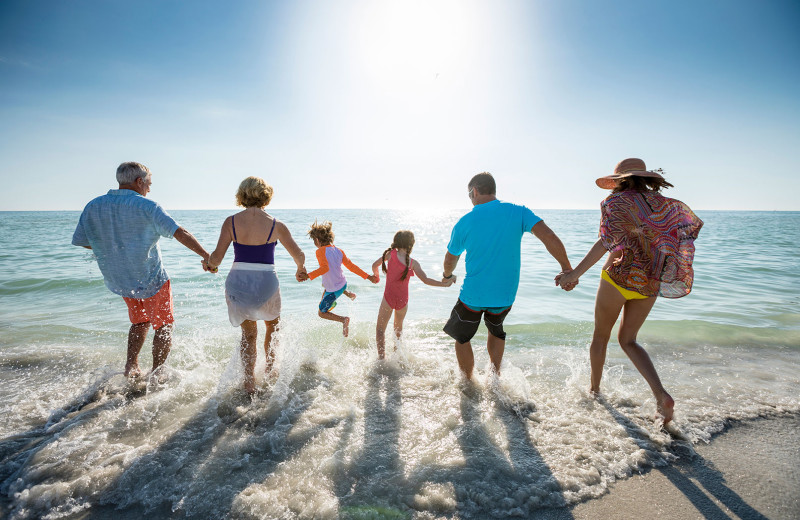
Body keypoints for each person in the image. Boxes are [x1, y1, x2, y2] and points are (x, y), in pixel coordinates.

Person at [556, 158, 703, 424]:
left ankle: (595, 392)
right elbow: (684, 232)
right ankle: (661, 395)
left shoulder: (614, 203)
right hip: (650, 282)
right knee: (629, 340)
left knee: (601, 337)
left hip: (619, 277)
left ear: (620, 179)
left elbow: (606, 242)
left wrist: (574, 274)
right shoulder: (664, 205)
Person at [72, 161, 211, 378]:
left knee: (140, 321)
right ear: (139, 181)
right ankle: (157, 373)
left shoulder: (93, 206)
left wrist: (112, 247)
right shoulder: (148, 206)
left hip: (120, 279)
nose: (149, 188)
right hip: (151, 278)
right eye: (148, 184)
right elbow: (178, 232)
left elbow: (83, 241)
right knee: (164, 326)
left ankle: (131, 367)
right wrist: (206, 256)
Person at [442, 172, 573, 380]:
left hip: (473, 296)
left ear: (474, 191)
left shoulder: (465, 221)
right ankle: (494, 377)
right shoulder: (519, 212)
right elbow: (548, 236)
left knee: (462, 337)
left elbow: (450, 258)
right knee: (496, 331)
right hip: (505, 295)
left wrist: (447, 275)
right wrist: (567, 268)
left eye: (469, 194)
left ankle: (468, 382)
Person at [204, 177, 307, 395]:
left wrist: (209, 264)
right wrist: (300, 269)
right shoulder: (276, 224)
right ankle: (270, 372)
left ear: (241, 195)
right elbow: (299, 254)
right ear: (266, 195)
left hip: (238, 281)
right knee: (273, 326)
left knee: (248, 334)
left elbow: (216, 259)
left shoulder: (230, 222)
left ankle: (249, 382)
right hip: (265, 282)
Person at [371, 230, 456, 360]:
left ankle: (382, 359)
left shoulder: (390, 254)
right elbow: (426, 280)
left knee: (380, 330)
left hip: (388, 298)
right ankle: (397, 356)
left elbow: (374, 265)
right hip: (403, 301)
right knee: (397, 331)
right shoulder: (413, 263)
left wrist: (376, 276)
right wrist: (445, 284)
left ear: (396, 241)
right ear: (411, 244)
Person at [303, 221, 378, 337]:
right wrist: (368, 277)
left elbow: (324, 268)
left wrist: (308, 276)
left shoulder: (319, 251)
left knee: (321, 312)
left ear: (317, 240)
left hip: (334, 289)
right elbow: (352, 267)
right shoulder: (338, 250)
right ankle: (347, 293)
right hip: (342, 284)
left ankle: (343, 320)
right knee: (326, 286)